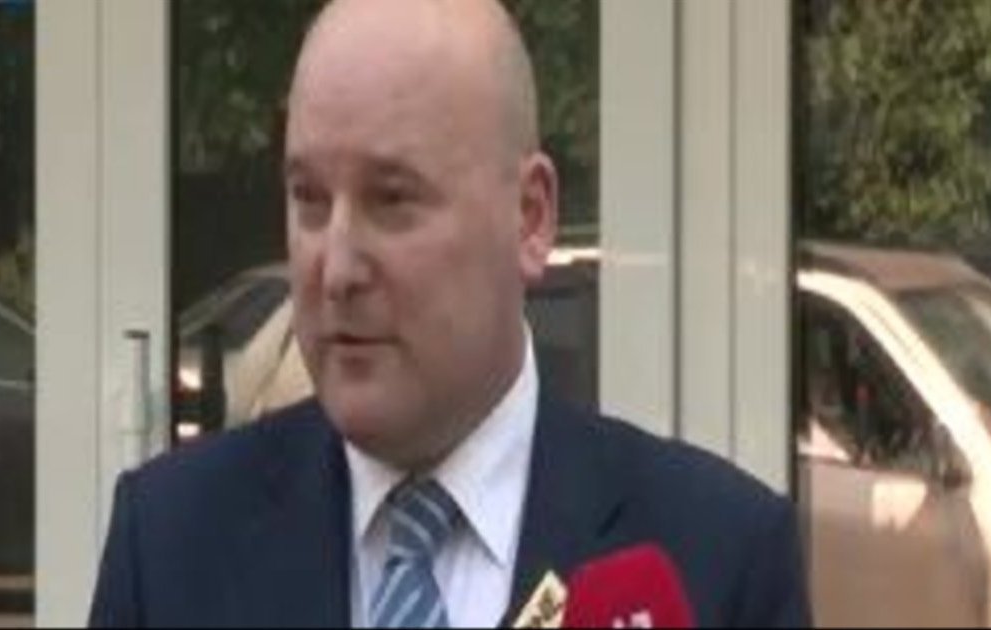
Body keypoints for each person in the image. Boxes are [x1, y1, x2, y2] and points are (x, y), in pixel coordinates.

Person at [89, 0, 810, 627]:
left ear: (529, 217)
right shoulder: (171, 543)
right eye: (309, 199)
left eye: (392, 199)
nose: (336, 270)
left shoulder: (718, 558)